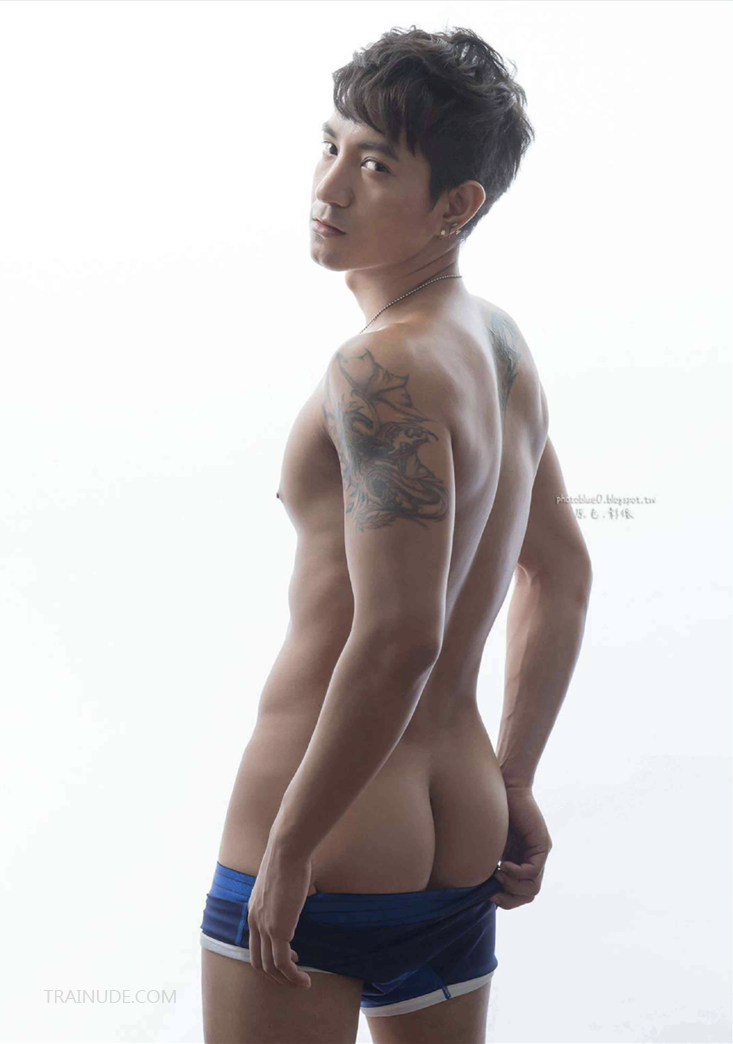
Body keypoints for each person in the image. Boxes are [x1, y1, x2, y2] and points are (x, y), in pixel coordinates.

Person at [200, 24, 592, 1044]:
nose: (329, 187)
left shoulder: (376, 371)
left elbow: (398, 638)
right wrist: (513, 779)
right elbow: (560, 573)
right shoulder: (499, 347)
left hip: (328, 837)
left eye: (375, 166)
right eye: (329, 145)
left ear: (456, 206)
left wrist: (290, 847)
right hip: (462, 828)